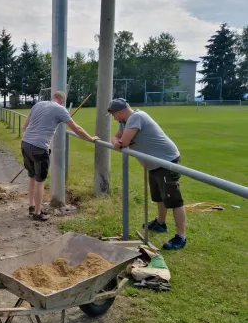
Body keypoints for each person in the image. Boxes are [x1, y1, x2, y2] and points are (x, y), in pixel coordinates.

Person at [108, 98, 187, 250]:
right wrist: (115, 140)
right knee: (158, 197)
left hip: (166, 162)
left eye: (114, 115)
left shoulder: (137, 117)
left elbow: (123, 142)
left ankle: (181, 236)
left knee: (174, 200)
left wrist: (118, 141)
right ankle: (160, 223)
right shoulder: (124, 122)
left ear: (120, 112)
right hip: (153, 164)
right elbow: (116, 137)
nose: (114, 118)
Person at [21, 91, 99, 221]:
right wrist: (90, 138)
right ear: (62, 101)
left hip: (25, 144)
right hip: (39, 148)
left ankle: (31, 206)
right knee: (40, 181)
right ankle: (37, 213)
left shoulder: (38, 104)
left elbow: (25, 127)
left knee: (32, 177)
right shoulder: (61, 109)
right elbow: (77, 129)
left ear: (52, 98)